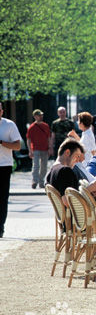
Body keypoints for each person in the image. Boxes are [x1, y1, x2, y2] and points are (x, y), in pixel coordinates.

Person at [0, 101, 22, 238]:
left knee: (2, 198)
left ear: (2, 111)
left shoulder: (9, 125)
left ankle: (0, 226)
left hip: (4, 165)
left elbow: (17, 146)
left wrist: (2, 142)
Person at [26, 109, 52, 189]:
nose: (41, 116)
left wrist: (50, 148)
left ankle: (41, 181)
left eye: (41, 115)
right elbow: (28, 139)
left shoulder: (46, 125)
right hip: (35, 149)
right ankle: (34, 181)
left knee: (44, 166)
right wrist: (30, 151)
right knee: (36, 166)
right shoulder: (32, 127)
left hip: (45, 148)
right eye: (39, 115)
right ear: (35, 116)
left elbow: (49, 138)